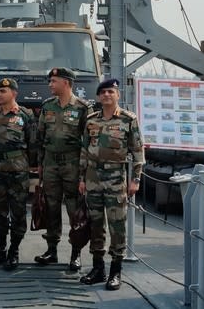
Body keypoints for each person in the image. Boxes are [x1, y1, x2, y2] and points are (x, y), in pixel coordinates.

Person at [78, 78, 144, 291]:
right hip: (92, 178)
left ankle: (116, 271)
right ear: (98, 96)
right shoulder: (91, 120)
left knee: (117, 225)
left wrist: (135, 179)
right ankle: (98, 268)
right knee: (96, 224)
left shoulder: (128, 120)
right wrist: (81, 178)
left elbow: (138, 153)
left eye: (110, 92)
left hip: (116, 179)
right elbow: (84, 151)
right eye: (103, 92)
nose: (106, 95)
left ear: (118, 95)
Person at [35, 67, 92, 271]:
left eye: (53, 81)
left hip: (72, 164)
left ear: (66, 83)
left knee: (74, 210)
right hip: (50, 164)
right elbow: (40, 138)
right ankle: (52, 250)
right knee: (50, 207)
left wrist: (84, 173)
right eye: (50, 81)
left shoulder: (83, 108)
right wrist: (40, 165)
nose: (50, 84)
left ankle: (75, 254)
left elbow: (88, 143)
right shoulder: (47, 106)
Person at [0, 77, 37, 271]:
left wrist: (32, 166)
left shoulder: (25, 115)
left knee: (18, 213)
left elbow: (33, 143)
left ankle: (13, 251)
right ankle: (0, 250)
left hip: (17, 171)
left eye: (3, 91)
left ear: (14, 93)